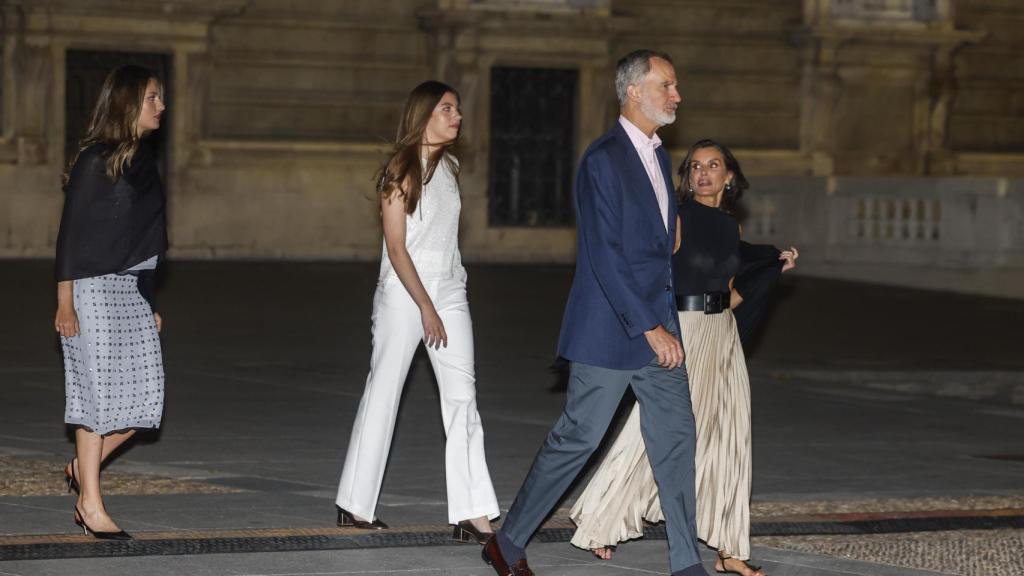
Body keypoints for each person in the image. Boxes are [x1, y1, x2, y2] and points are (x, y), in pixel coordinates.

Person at [482, 50, 709, 576]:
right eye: (667, 85)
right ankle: (509, 540)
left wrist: (668, 237)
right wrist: (648, 326)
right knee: (578, 439)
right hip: (613, 329)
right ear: (634, 91)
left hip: (660, 328)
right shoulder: (603, 158)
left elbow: (649, 238)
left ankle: (685, 563)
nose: (677, 95)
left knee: (676, 441)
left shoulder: (655, 154)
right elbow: (604, 255)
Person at [568, 139, 799, 576]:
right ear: (687, 177)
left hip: (721, 335)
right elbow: (651, 273)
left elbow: (729, 294)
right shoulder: (674, 218)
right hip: (683, 332)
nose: (704, 173)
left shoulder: (732, 228)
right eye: (695, 166)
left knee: (730, 436)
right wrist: (652, 327)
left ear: (729, 176)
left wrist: (770, 273)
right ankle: (603, 519)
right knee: (650, 430)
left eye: (714, 165)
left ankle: (730, 548)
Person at [334, 80, 499, 544]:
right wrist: (425, 305)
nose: (457, 116)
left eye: (458, 109)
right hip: (404, 295)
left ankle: (472, 512)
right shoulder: (400, 170)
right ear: (424, 114)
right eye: (448, 109)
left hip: (449, 289)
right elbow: (396, 245)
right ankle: (355, 502)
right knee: (384, 392)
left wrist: (445, 295)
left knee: (463, 395)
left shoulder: (450, 166)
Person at [54, 64, 168, 541]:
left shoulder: (142, 162)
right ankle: (91, 504)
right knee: (96, 401)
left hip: (128, 290)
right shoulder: (93, 160)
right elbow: (72, 234)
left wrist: (147, 299)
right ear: (127, 104)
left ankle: (84, 468)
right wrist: (65, 302)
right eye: (152, 98)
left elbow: (142, 239)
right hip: (91, 290)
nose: (162, 106)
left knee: (146, 400)